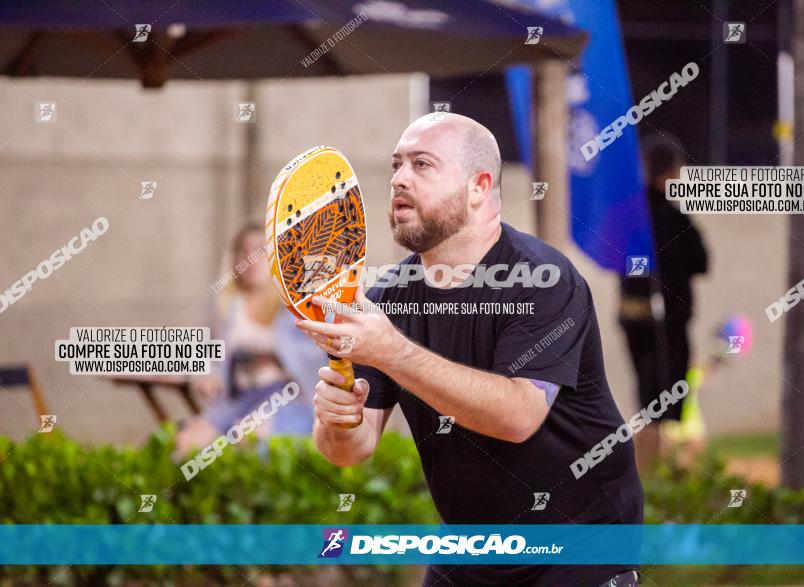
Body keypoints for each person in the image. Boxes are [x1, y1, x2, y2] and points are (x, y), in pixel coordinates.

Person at [296, 114, 643, 586]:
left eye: (422, 165)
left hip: (579, 543)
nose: (399, 178)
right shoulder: (386, 300)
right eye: (397, 165)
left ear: (479, 187)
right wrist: (338, 420)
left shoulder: (545, 280)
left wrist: (392, 352)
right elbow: (349, 451)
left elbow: (519, 416)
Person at [175, 223, 324, 456]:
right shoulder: (225, 306)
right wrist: (207, 376)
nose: (250, 259)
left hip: (286, 397)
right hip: (237, 398)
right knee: (188, 444)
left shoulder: (293, 305)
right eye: (243, 251)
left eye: (259, 251)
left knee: (250, 439)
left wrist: (276, 359)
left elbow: (317, 358)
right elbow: (207, 355)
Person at [619, 134, 709, 471]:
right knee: (665, 398)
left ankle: (649, 470)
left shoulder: (629, 215)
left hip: (633, 317)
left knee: (647, 396)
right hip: (667, 321)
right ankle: (656, 470)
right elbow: (701, 261)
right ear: (670, 171)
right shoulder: (672, 218)